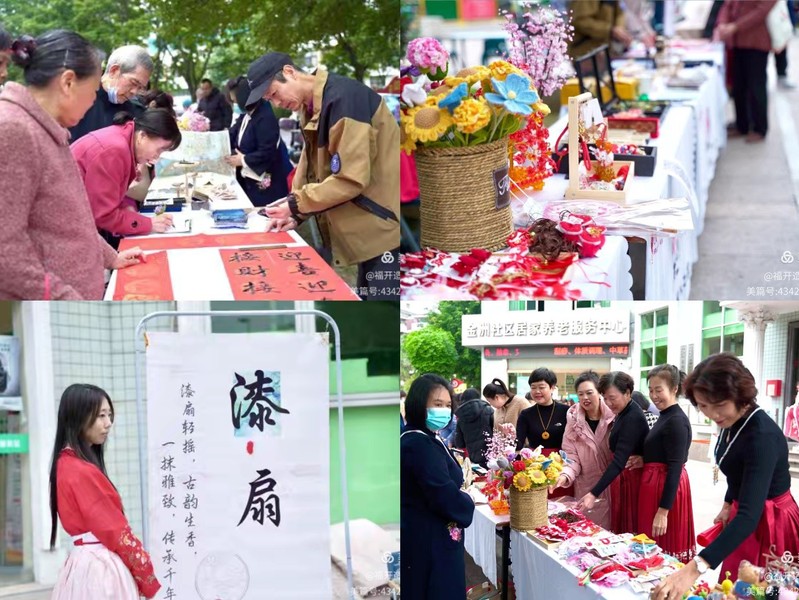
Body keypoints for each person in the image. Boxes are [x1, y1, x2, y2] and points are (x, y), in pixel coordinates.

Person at [0, 30, 144, 299]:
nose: (93, 101)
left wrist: (110, 257)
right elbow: (6, 252)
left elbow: (70, 219)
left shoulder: (49, 130)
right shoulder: (13, 130)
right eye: (93, 92)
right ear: (68, 82)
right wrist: (65, 300)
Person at [249, 52, 401, 301]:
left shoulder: (345, 99)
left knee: (385, 306)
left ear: (289, 72)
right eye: (269, 99)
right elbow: (310, 165)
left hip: (379, 220)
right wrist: (295, 211)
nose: (276, 103)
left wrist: (295, 204)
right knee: (369, 300)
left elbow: (350, 179)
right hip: (363, 220)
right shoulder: (309, 106)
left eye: (274, 93)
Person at [652, 353, 799, 600]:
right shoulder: (732, 422)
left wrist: (693, 569)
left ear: (741, 395)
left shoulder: (761, 436)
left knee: (765, 591)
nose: (712, 414)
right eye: (703, 406)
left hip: (771, 522)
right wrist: (728, 503)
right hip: (746, 516)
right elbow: (737, 469)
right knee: (735, 588)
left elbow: (749, 516)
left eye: (719, 405)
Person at [50, 383, 160, 599]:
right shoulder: (82, 470)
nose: (108, 423)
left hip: (81, 564)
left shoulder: (64, 464)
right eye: (101, 415)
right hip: (100, 569)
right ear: (78, 417)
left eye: (109, 415)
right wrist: (145, 574)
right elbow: (116, 532)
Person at [401, 373, 475, 600]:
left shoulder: (429, 437)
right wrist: (468, 501)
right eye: (437, 404)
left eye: (448, 405)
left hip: (432, 535)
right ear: (418, 404)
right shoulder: (418, 443)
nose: (444, 410)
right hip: (429, 540)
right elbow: (442, 492)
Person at [71, 109, 181, 249]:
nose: (157, 157)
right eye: (159, 149)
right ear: (142, 136)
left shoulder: (123, 138)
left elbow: (105, 195)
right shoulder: (114, 150)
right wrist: (149, 224)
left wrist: (124, 208)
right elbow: (104, 215)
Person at [636, 365, 696, 562]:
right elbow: (662, 450)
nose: (654, 396)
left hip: (665, 489)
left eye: (658, 390)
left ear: (674, 389)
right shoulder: (665, 415)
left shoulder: (676, 420)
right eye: (650, 390)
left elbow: (675, 466)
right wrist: (645, 460)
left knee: (664, 545)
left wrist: (663, 511)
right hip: (655, 485)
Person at [578, 371, 648, 535]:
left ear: (627, 393)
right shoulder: (624, 411)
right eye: (605, 398)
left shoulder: (632, 417)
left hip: (631, 478)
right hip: (623, 476)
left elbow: (619, 461)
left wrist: (593, 494)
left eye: (612, 398)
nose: (608, 403)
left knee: (629, 529)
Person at [552, 371, 615, 528]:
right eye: (580, 394)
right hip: (587, 487)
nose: (585, 398)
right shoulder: (573, 421)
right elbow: (571, 456)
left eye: (589, 393)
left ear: (599, 393)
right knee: (590, 532)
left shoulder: (614, 416)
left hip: (615, 484)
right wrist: (565, 475)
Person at [223, 75, 292, 206]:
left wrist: (243, 160)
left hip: (268, 182)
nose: (235, 104)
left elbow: (267, 151)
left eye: (236, 101)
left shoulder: (264, 117)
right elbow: (231, 135)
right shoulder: (246, 116)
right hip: (249, 180)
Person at [714, 0, 777, 143]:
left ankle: (760, 128)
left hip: (756, 40)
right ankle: (742, 124)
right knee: (739, 85)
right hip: (736, 41)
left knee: (756, 86)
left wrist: (736, 26)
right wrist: (722, 24)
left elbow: (761, 11)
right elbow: (727, 5)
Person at [69, 45, 151, 142]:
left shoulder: (135, 115)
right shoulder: (76, 98)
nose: (134, 92)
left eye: (140, 87)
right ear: (114, 71)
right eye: (133, 83)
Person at [516, 368, 572, 497]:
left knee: (562, 502)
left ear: (552, 388)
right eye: (533, 387)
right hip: (535, 467)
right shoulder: (526, 414)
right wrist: (509, 435)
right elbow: (518, 444)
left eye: (541, 387)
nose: (537, 391)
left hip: (561, 467)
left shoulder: (566, 411)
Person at [569, 0, 635, 57]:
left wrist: (619, 28)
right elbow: (580, 21)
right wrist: (610, 30)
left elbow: (619, 13)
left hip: (603, 50)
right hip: (584, 52)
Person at [453, 388, 494, 467]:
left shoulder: (461, 416)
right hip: (491, 455)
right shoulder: (488, 410)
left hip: (474, 458)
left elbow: (460, 443)